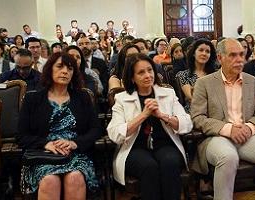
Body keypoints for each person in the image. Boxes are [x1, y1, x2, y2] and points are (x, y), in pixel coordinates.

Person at [191, 38, 255, 200]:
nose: (239, 60)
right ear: (220, 58)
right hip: (216, 137)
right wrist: (229, 129)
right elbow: (197, 117)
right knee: (228, 157)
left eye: (241, 55)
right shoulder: (204, 83)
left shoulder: (253, 82)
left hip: (246, 136)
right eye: (232, 55)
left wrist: (249, 128)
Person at [107, 53, 192, 200]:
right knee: (149, 167)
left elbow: (187, 123)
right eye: (141, 72)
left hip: (165, 144)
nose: (148, 75)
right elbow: (115, 133)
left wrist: (162, 116)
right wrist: (143, 115)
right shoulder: (121, 98)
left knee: (169, 163)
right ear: (132, 78)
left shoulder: (168, 93)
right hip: (134, 148)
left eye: (150, 70)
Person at [17, 52, 101, 199]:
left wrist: (75, 143)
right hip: (44, 155)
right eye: (60, 66)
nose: (65, 71)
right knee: (50, 180)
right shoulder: (33, 99)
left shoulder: (83, 97)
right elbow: (22, 136)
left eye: (70, 68)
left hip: (76, 154)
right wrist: (46, 144)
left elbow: (96, 130)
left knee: (75, 178)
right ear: (50, 69)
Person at [176, 39, 216, 112]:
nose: (204, 53)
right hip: (193, 111)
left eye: (207, 51)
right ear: (194, 53)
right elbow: (192, 97)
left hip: (214, 110)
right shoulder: (184, 75)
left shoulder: (215, 75)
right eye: (201, 50)